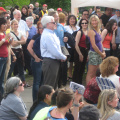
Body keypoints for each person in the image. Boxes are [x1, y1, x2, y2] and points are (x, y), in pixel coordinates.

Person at [40, 16, 67, 89]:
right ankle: (47, 100)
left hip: (54, 61)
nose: (55, 24)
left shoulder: (51, 33)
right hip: (50, 62)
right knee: (50, 87)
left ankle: (52, 100)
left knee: (53, 87)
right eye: (53, 22)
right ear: (48, 24)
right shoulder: (48, 35)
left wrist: (60, 56)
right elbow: (53, 50)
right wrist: (63, 57)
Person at [48, 11, 69, 87]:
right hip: (54, 51)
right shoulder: (49, 28)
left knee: (63, 69)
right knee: (55, 71)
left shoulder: (60, 26)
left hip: (62, 48)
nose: (58, 18)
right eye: (56, 16)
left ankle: (61, 84)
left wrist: (66, 37)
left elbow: (66, 33)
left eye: (58, 16)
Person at [86, 15, 106, 85]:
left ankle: (93, 87)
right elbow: (94, 45)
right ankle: (88, 89)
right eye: (92, 20)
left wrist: (103, 51)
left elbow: (100, 42)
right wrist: (101, 54)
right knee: (91, 73)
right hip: (94, 53)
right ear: (90, 22)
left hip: (99, 53)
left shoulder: (98, 30)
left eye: (95, 20)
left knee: (97, 72)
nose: (94, 22)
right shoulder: (91, 31)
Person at [27, 21, 43, 101]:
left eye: (42, 27)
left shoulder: (47, 36)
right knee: (37, 82)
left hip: (44, 61)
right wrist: (35, 57)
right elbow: (29, 47)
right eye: (39, 28)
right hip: (36, 62)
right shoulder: (36, 36)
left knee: (42, 82)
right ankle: (35, 101)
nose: (41, 29)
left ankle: (40, 101)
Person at [8, 19, 26, 85]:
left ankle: (23, 82)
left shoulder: (20, 32)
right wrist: (20, 42)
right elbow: (12, 44)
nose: (16, 25)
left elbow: (24, 41)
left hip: (20, 51)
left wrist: (17, 42)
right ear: (12, 25)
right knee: (11, 68)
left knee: (21, 68)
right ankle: (8, 82)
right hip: (13, 51)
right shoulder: (10, 33)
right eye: (14, 24)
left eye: (17, 24)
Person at [0, 17, 15, 95]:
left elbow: (6, 45)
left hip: (5, 57)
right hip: (0, 58)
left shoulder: (4, 33)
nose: (5, 26)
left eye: (6, 24)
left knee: (3, 78)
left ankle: (2, 95)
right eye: (4, 24)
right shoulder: (2, 35)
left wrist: (9, 41)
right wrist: (4, 39)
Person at [73, 19, 88, 84]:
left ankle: (80, 83)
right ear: (81, 24)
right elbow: (76, 45)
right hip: (79, 50)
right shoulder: (79, 32)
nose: (84, 24)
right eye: (83, 23)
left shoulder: (89, 31)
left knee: (82, 69)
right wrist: (80, 54)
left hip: (86, 51)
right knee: (77, 68)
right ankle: (75, 83)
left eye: (85, 23)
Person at [64, 15, 79, 81]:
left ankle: (74, 74)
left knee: (74, 61)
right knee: (69, 61)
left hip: (76, 46)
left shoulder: (78, 28)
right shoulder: (66, 27)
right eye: (71, 19)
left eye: (74, 19)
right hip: (68, 47)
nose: (72, 20)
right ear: (68, 20)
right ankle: (69, 74)